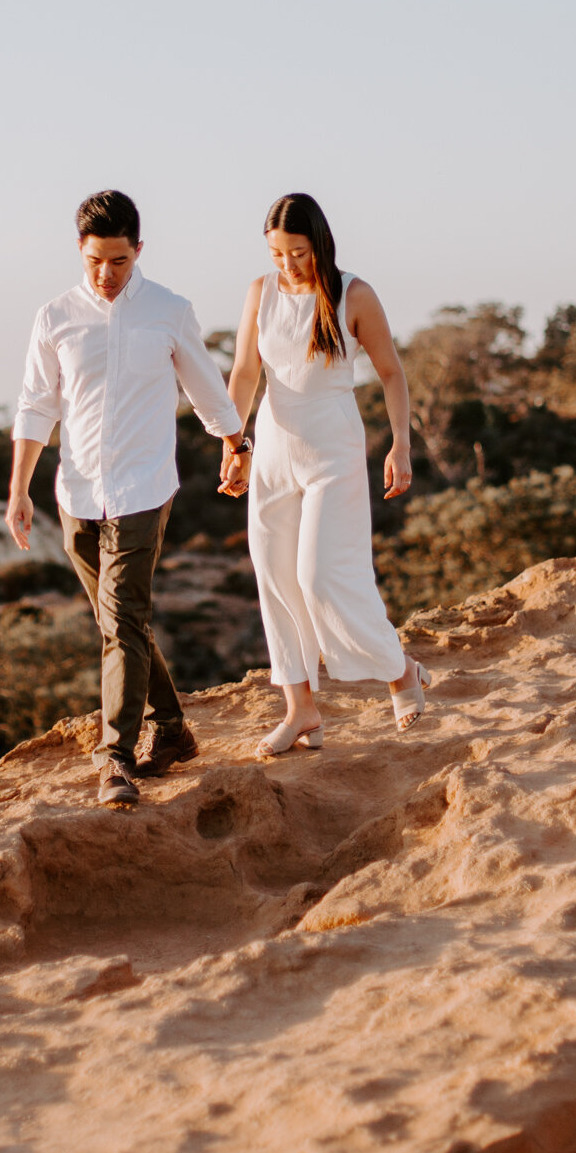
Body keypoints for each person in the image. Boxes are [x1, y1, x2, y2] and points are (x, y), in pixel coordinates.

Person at [7, 190, 252, 805]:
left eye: (118, 260)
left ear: (138, 250)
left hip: (143, 487)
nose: (106, 274)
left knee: (119, 621)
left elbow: (204, 384)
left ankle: (114, 757)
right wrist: (19, 488)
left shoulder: (169, 310)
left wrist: (235, 443)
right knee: (120, 621)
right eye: (94, 260)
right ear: (80, 252)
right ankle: (173, 728)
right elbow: (37, 404)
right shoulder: (55, 316)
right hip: (76, 491)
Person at [219, 192, 431, 754]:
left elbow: (391, 373)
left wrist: (400, 445)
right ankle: (301, 712)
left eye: (298, 253)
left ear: (320, 244)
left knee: (321, 578)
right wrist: (235, 443)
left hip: (333, 450)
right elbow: (244, 373)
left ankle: (400, 670)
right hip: (271, 449)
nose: (287, 265)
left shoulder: (353, 294)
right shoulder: (260, 293)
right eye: (277, 253)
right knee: (276, 581)